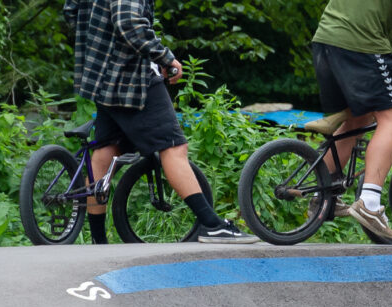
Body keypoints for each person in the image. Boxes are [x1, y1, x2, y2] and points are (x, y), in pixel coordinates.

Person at [62, 0, 257, 244]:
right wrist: (164, 57)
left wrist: (102, 45)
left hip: (101, 77)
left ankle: (98, 241)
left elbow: (71, 10)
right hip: (131, 78)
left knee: (107, 150)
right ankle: (212, 225)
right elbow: (127, 21)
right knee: (173, 146)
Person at [306, 0, 392, 241]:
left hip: (327, 40)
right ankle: (369, 203)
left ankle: (322, 195)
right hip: (361, 44)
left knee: (357, 119)